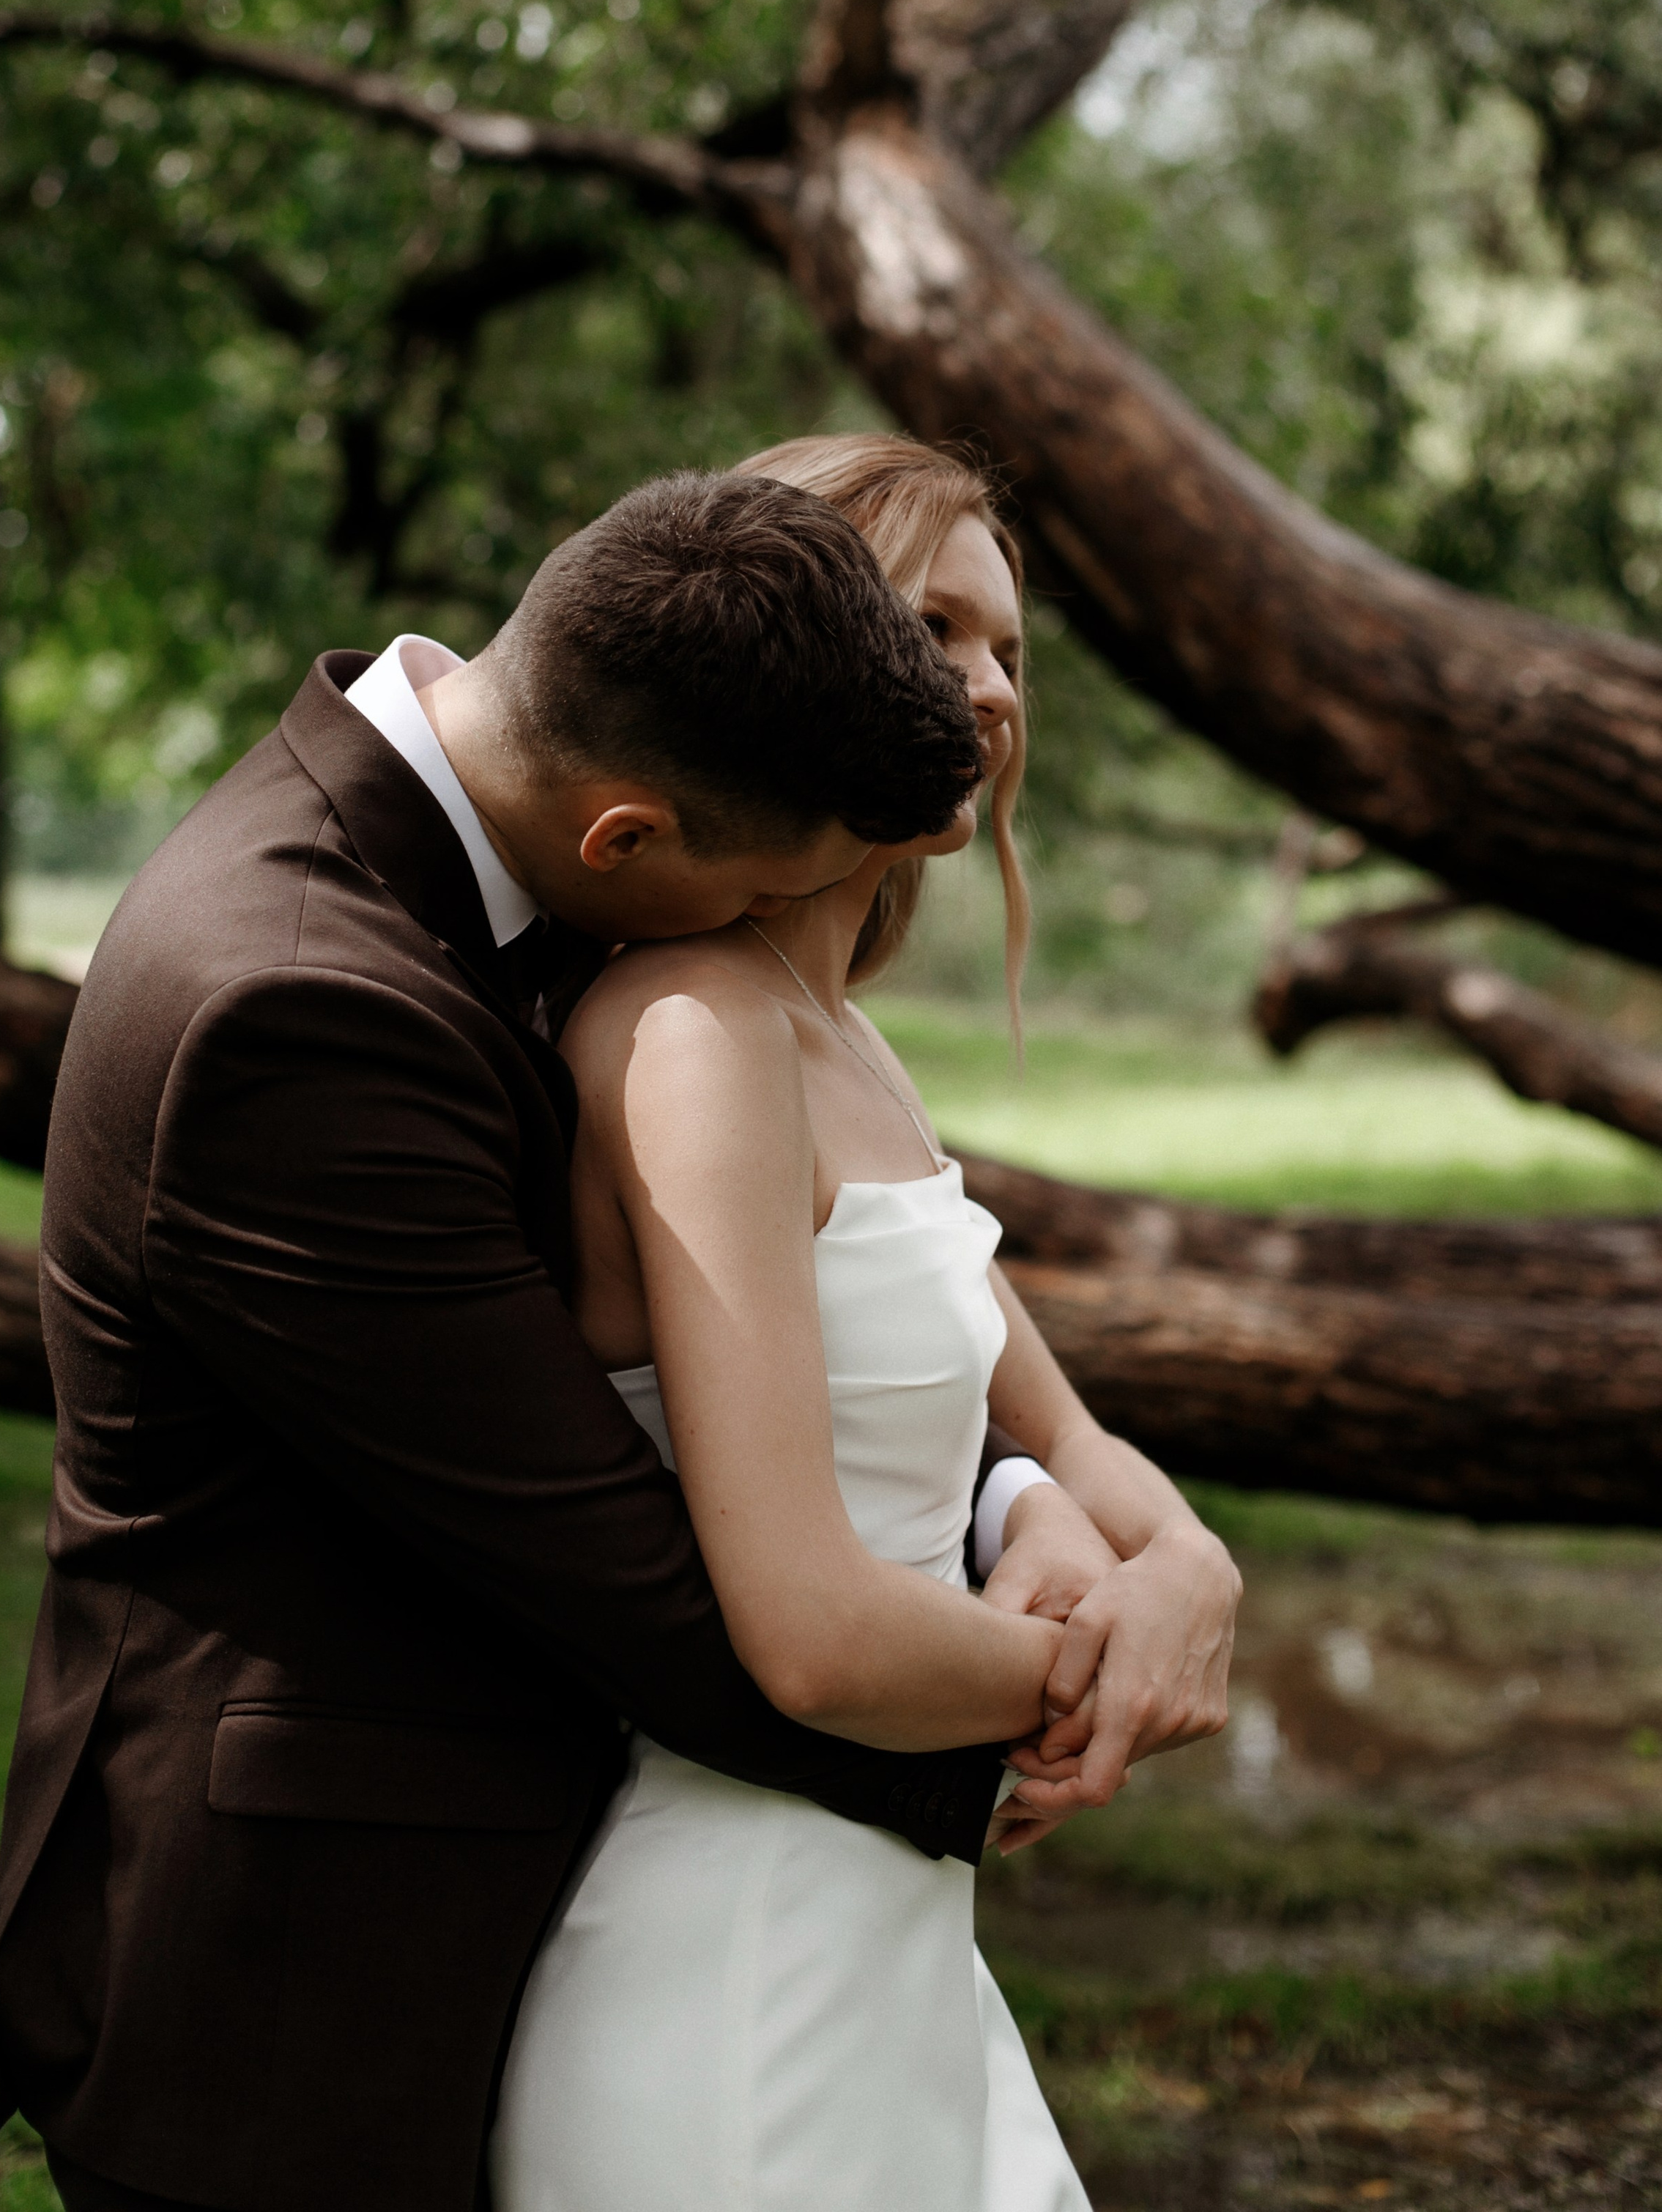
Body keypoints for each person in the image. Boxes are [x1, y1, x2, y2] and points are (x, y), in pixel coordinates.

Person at [0, 468, 1086, 2212]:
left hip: (538, 1875)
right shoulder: (293, 1009)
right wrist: (1042, 1701)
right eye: (759, 900)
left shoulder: (486, 841)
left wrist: (1034, 1509)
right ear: (626, 845)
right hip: (295, 1959)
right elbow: (628, 1570)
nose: (755, 963)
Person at [489, 436, 1238, 2212]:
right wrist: (1094, 1673)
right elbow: (810, 1634)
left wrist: (1182, 1564)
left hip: (898, 1922)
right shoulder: (694, 1035)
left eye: (1005, 649)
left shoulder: (851, 1046)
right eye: (928, 633)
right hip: (736, 1939)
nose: (980, 691)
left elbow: (1056, 1435)